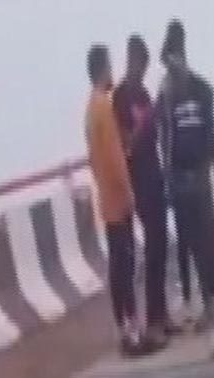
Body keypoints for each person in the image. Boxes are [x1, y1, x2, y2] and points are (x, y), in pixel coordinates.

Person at [157, 20, 214, 358]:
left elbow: (209, 138)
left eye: (174, 57)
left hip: (197, 179)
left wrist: (208, 170)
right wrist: (168, 181)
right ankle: (211, 309)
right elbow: (164, 142)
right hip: (179, 181)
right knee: (193, 249)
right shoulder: (167, 96)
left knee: (209, 246)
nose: (172, 65)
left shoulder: (201, 90)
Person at [85, 44, 152, 357]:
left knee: (118, 267)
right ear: (103, 68)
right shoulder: (103, 108)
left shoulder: (89, 109)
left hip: (105, 199)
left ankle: (126, 331)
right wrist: (129, 194)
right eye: (110, 66)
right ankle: (132, 334)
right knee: (124, 268)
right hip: (117, 201)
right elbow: (115, 157)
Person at [114, 34, 176, 346]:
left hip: (156, 176)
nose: (142, 69)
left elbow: (157, 132)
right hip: (137, 182)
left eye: (145, 65)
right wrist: (145, 121)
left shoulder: (144, 93)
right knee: (150, 250)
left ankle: (161, 313)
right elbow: (125, 146)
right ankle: (151, 321)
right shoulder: (122, 97)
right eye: (139, 63)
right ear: (130, 59)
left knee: (162, 247)